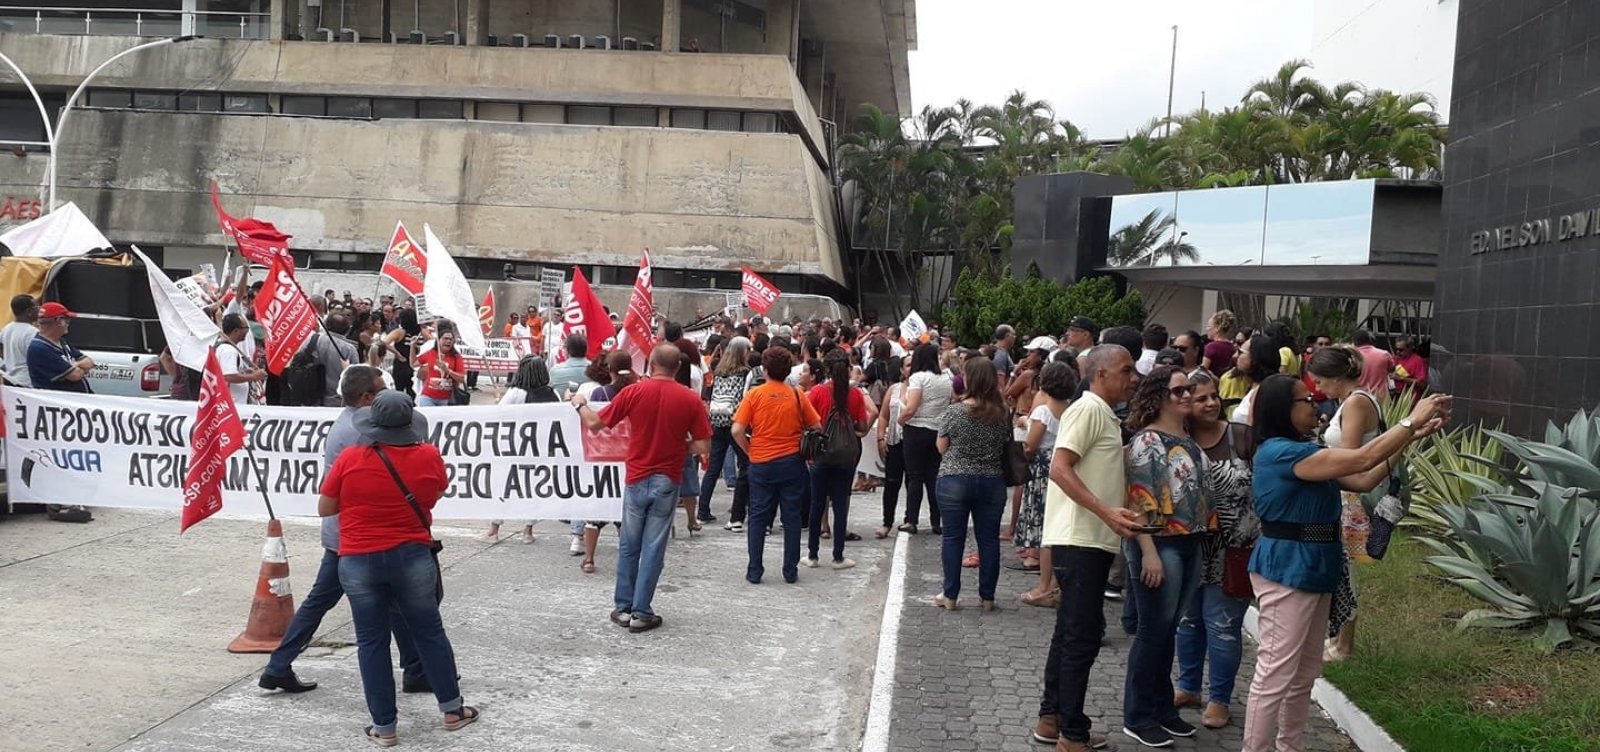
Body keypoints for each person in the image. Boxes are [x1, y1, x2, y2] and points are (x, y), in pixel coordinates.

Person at [1243, 376, 1447, 752]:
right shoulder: (1281, 453)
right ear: (1282, 410)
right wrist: (1410, 422)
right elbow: (1362, 457)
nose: (1315, 407)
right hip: (1288, 566)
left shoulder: (1303, 450)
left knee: (1304, 673)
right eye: (1306, 400)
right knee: (1276, 673)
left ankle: (1289, 747)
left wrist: (1410, 438)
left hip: (1315, 565)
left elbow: (1365, 478)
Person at [260, 366, 432, 696]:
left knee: (337, 601)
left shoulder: (350, 420)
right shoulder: (363, 432)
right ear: (367, 397)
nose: (386, 392)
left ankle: (279, 666)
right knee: (383, 603)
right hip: (356, 535)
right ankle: (414, 669)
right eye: (381, 389)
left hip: (347, 533)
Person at [318, 390, 477, 745]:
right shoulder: (429, 455)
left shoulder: (349, 459)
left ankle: (384, 728)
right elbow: (433, 495)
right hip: (413, 556)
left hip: (359, 559)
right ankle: (452, 709)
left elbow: (325, 508)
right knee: (429, 632)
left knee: (371, 642)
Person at [1033, 345, 1144, 751]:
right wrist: (1106, 512)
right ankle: (1072, 735)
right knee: (1081, 637)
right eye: (1125, 370)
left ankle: (1053, 718)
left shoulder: (1103, 415)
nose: (1132, 377)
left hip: (1087, 540)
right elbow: (1059, 468)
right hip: (1081, 538)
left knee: (1070, 633)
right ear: (1100, 374)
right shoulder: (1089, 409)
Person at [573, 344, 711, 633]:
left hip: (636, 476)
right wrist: (679, 444)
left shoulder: (634, 392)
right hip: (667, 479)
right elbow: (702, 446)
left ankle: (623, 607)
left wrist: (579, 403)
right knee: (653, 548)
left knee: (629, 545)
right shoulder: (690, 399)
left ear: (650, 367)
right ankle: (641, 611)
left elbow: (596, 424)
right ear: (677, 369)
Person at [1118, 365, 1209, 748]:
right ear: (1159, 397)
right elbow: (1139, 498)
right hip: (1160, 544)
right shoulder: (1149, 441)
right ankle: (1137, 716)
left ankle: (1162, 709)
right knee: (1153, 632)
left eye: (1189, 389)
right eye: (1178, 391)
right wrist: (1148, 553)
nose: (1187, 395)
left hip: (1190, 541)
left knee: (1166, 630)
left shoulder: (1186, 438)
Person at [1174, 369, 1259, 730]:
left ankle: (1220, 699)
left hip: (1235, 550)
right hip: (1190, 548)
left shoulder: (1242, 437)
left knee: (1222, 626)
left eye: (1213, 396)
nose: (1211, 403)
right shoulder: (1178, 440)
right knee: (1188, 622)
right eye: (1200, 398)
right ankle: (1189, 686)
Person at [1306, 344, 1386, 662]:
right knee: (1341, 567)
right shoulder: (1352, 400)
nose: (1318, 389)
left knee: (1346, 568)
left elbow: (1350, 456)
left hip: (1352, 497)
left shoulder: (1355, 403)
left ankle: (1345, 644)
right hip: (1345, 493)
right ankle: (1339, 636)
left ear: (1336, 378)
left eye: (1321, 382)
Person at [732, 346, 821, 585]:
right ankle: (790, 570)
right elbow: (817, 427)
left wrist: (750, 451)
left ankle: (755, 569)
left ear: (765, 369)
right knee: (791, 517)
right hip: (792, 462)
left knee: (758, 516)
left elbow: (737, 429)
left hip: (761, 462)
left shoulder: (754, 395)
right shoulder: (797, 394)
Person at [930, 356, 1013, 611]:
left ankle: (951, 595)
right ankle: (987, 597)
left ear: (970, 379)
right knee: (988, 540)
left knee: (953, 537)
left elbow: (942, 448)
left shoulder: (955, 412)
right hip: (991, 480)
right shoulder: (1002, 413)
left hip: (954, 479)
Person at [1016, 362, 1077, 608]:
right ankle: (1056, 585)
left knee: (1045, 530)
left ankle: (1044, 586)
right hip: (1067, 467)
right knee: (1060, 526)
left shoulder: (1043, 412)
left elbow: (1031, 446)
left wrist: (1023, 426)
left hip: (1043, 470)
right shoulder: (1073, 410)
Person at [804, 349, 871, 570]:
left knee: (817, 504)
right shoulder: (854, 394)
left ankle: (812, 555)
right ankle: (838, 556)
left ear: (826, 369)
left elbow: (805, 422)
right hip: (845, 458)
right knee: (841, 506)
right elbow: (862, 425)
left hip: (820, 457)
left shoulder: (817, 392)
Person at [483, 356, 559, 544]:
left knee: (505, 485)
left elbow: (499, 414)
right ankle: (528, 530)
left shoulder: (516, 393)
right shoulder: (553, 393)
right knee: (532, 488)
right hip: (541, 449)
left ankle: (494, 527)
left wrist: (497, 399)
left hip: (516, 448)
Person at [897, 343, 953, 534]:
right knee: (934, 477)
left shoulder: (918, 378)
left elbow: (912, 407)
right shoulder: (946, 378)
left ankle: (911, 520)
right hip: (938, 430)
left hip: (916, 429)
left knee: (915, 477)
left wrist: (901, 419)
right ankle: (936, 521)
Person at [703, 337, 754, 529]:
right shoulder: (744, 373)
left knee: (713, 468)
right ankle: (740, 508)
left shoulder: (719, 371)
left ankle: (702, 511)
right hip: (735, 422)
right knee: (745, 465)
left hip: (718, 422)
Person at [874, 354, 912, 539]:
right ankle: (886, 521)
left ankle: (910, 519)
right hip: (894, 441)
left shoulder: (922, 390)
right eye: (907, 365)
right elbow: (883, 415)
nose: (910, 368)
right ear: (901, 369)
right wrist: (881, 436)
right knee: (891, 484)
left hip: (913, 443)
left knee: (913, 483)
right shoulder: (894, 389)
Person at [27, 302, 94, 394]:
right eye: (67, 320)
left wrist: (76, 364)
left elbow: (89, 362)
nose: (68, 324)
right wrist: (78, 367)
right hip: (60, 403)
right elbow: (75, 375)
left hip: (77, 401)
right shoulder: (40, 348)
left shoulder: (62, 341)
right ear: (59, 321)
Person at [1229, 334, 1282, 426]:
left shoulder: (1262, 391)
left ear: (1254, 358)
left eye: (1240, 352)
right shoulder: (1257, 386)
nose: (1235, 356)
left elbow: (1254, 431)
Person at [216, 313, 267, 406]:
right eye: (245, 328)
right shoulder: (228, 351)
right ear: (236, 331)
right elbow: (228, 376)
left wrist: (244, 371)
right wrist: (254, 376)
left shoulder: (228, 348)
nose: (247, 331)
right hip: (232, 405)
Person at [413, 329, 465, 407]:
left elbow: (461, 379)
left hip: (447, 399)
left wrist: (447, 371)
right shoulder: (430, 353)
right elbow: (413, 364)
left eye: (451, 339)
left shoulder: (456, 357)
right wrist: (412, 347)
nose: (448, 341)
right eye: (445, 338)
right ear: (438, 340)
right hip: (428, 396)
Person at [1, 294, 38, 386]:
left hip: (10, 378)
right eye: (36, 307)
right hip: (27, 381)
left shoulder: (7, 328)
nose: (39, 310)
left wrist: (8, 358)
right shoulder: (32, 332)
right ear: (29, 311)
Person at [1351, 330, 1394, 396]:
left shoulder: (1352, 357)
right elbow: (1392, 369)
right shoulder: (1384, 354)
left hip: (1359, 397)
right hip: (1380, 398)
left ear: (1354, 342)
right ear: (1370, 340)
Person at [1201, 310, 1237, 377]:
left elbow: (1203, 371)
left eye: (1209, 326)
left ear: (1217, 328)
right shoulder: (1232, 347)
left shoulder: (1211, 347)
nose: (1207, 329)